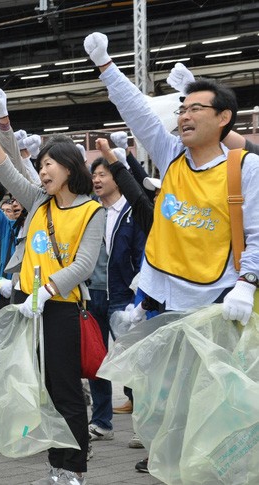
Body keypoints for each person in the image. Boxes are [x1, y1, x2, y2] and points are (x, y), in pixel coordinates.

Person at [84, 31, 259, 474]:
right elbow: (139, 113)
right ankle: (176, 466)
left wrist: (247, 282)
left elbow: (256, 233)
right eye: (181, 108)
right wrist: (106, 67)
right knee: (167, 399)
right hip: (164, 301)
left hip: (218, 302)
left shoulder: (244, 168)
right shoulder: (172, 157)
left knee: (216, 399)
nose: (183, 116)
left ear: (224, 119)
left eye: (194, 108)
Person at [0, 107, 105, 485]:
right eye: (42, 165)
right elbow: (8, 171)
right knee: (41, 391)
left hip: (58, 308)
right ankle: (54, 468)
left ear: (71, 168)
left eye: (51, 165)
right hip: (25, 306)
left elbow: (84, 264)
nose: (44, 172)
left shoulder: (90, 211)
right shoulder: (39, 202)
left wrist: (46, 290)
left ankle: (73, 470)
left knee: (66, 393)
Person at [86, 155, 146, 444]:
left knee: (131, 361)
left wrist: (138, 296)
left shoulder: (132, 212)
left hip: (123, 296)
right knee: (97, 360)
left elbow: (142, 254)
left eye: (102, 174)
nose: (97, 180)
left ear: (117, 178)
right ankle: (101, 422)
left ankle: (144, 425)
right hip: (92, 294)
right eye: (94, 175)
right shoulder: (90, 212)